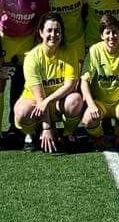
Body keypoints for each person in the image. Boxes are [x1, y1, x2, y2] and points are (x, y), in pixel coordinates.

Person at [0, 0, 51, 141]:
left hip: (27, 41)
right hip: (5, 40)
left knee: (27, 84)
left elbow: (43, 22)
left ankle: (24, 131)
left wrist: (39, 47)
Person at [15, 13, 84, 153]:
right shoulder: (32, 58)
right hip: (36, 103)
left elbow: (70, 85)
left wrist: (48, 101)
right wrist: (47, 127)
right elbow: (40, 98)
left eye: (57, 30)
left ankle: (67, 133)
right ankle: (33, 133)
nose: (54, 34)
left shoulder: (70, 51)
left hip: (58, 102)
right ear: (41, 32)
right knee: (22, 112)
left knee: (75, 100)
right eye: (49, 30)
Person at [80, 14, 119, 147]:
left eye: (115, 32)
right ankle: (98, 135)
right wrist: (91, 104)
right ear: (102, 35)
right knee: (88, 120)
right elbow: (84, 81)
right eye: (107, 32)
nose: (111, 36)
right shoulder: (94, 51)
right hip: (100, 102)